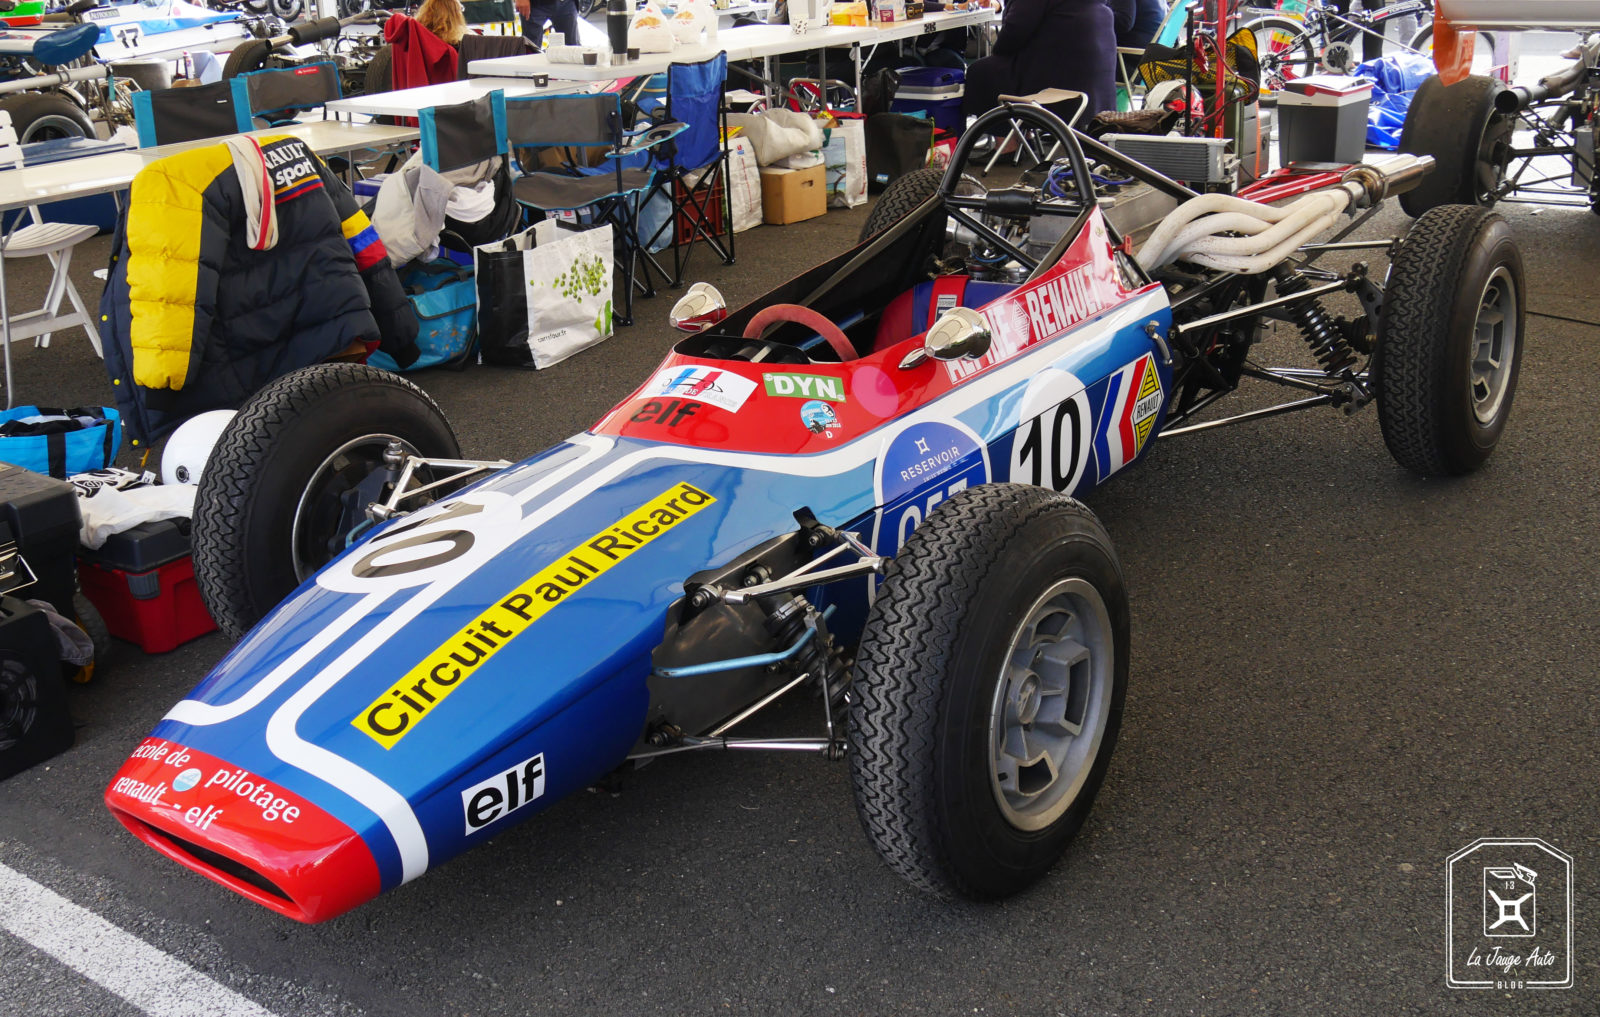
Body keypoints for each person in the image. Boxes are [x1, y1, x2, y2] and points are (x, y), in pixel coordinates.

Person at [963, 0, 1135, 122]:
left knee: (982, 71)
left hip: (1060, 85)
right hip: (1096, 85)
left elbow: (1014, 33)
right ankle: (1022, 138)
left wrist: (998, 51)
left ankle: (1007, 145)